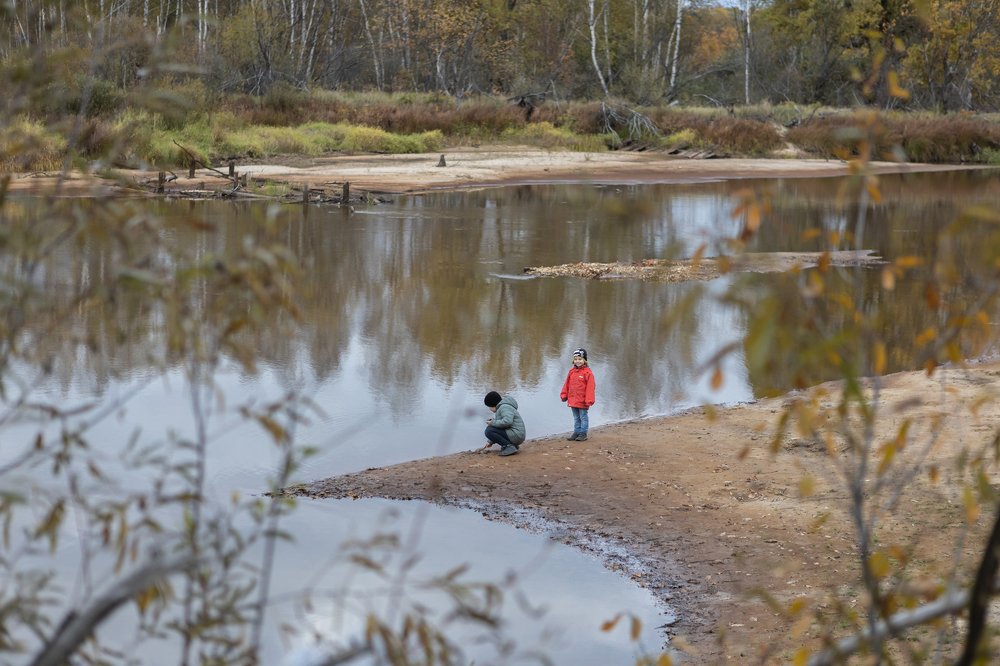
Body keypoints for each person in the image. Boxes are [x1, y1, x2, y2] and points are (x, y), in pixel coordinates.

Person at [560, 348, 596, 441]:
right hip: (573, 399)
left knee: (583, 417)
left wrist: (589, 400)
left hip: (583, 400)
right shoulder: (572, 372)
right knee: (576, 417)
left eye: (580, 359)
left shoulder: (588, 373)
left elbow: (590, 388)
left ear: (584, 360)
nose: (577, 361)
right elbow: (566, 384)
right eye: (576, 359)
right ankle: (576, 432)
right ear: (573, 360)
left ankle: (583, 433)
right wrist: (564, 394)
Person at [483, 391, 526, 457]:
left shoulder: (504, 407)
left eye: (489, 407)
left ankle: (509, 447)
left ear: (493, 404)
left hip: (517, 434)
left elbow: (507, 422)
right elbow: (501, 426)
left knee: (488, 431)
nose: (489, 409)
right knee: (491, 428)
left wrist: (492, 423)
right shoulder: (502, 407)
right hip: (516, 434)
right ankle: (512, 446)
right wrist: (490, 442)